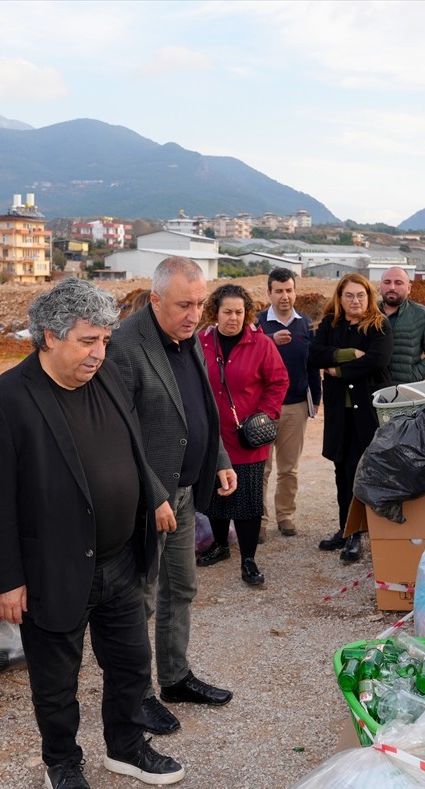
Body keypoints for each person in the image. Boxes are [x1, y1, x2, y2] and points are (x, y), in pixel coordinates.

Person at [0, 279, 184, 789]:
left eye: (105, 339)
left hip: (118, 559)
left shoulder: (108, 376)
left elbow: (131, 450)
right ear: (49, 336)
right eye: (88, 340)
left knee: (132, 663)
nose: (99, 352)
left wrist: (154, 496)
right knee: (56, 681)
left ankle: (127, 746)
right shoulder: (3, 401)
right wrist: (5, 581)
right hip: (51, 570)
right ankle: (62, 762)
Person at [107, 256, 237, 738]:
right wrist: (154, 493)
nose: (195, 314)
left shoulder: (189, 338)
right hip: (149, 499)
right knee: (139, 598)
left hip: (184, 493)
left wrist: (219, 458)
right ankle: (136, 695)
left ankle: (176, 677)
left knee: (182, 587)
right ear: (155, 299)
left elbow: (201, 406)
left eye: (200, 303)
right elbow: (123, 432)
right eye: (185, 304)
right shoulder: (126, 345)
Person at [197, 284, 289, 585]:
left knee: (248, 501)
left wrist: (263, 416)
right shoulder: (201, 342)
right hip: (213, 436)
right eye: (227, 312)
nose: (233, 318)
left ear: (246, 313)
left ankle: (248, 559)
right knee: (214, 497)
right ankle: (220, 546)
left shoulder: (261, 344)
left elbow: (279, 382)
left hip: (247, 438)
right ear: (215, 313)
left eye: (239, 312)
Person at [309, 273, 394, 563]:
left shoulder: (379, 326)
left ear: (369, 297)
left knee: (360, 470)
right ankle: (346, 529)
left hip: (366, 412)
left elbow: (377, 361)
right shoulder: (330, 324)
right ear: (340, 298)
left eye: (361, 295)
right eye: (349, 296)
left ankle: (359, 532)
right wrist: (348, 353)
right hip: (338, 412)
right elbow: (315, 354)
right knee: (340, 468)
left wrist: (339, 369)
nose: (355, 300)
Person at [256, 267, 321, 538]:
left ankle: (285, 516)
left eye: (289, 290)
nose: (285, 296)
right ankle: (258, 520)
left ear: (295, 292)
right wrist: (269, 341)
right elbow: (246, 355)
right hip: (261, 407)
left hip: (295, 405)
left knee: (289, 468)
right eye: (279, 291)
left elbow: (313, 365)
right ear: (269, 293)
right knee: (260, 468)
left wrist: (315, 400)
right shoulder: (257, 324)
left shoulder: (306, 325)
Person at [378, 266, 425, 385]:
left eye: (398, 283)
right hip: (369, 392)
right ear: (380, 286)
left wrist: (411, 377)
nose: (392, 287)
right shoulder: (367, 313)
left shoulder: (423, 315)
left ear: (409, 288)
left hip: (403, 393)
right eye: (387, 282)